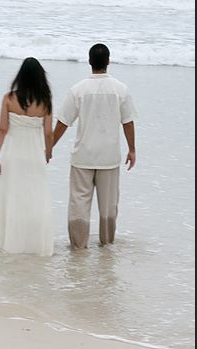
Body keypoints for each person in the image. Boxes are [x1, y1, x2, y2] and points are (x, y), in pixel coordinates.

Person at [53, 43, 137, 249]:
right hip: (109, 156)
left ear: (89, 61)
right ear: (108, 61)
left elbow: (64, 121)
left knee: (79, 204)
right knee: (109, 206)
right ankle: (106, 245)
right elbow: (128, 122)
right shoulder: (120, 89)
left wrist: (49, 146)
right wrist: (132, 149)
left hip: (83, 155)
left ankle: (78, 246)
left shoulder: (78, 89)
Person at [0, 57, 54, 257]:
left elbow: (2, 129)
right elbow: (48, 133)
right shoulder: (45, 101)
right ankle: (35, 244)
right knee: (36, 199)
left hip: (13, 155)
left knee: (14, 198)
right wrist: (48, 152)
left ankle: (12, 243)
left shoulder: (9, 98)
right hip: (34, 155)